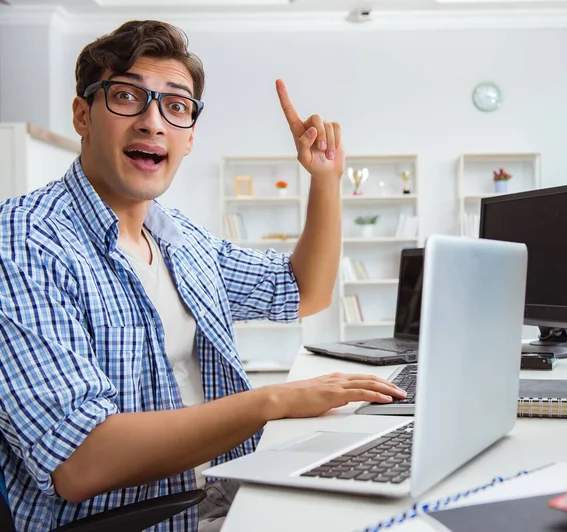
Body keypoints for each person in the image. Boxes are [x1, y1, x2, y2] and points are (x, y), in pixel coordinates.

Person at [0, 20, 405, 532]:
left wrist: (324, 180)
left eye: (175, 106)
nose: (153, 123)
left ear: (189, 137)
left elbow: (303, 291)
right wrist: (272, 402)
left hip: (219, 495)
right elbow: (80, 462)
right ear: (83, 114)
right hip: (137, 520)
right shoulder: (24, 241)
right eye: (127, 96)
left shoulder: (181, 239)